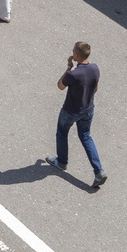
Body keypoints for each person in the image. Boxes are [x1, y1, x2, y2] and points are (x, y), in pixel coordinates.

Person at [46, 41, 107, 188]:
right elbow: (95, 89)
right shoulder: (95, 68)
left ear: (77, 55)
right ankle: (99, 171)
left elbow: (60, 85)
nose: (72, 53)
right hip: (88, 110)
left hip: (70, 111)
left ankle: (62, 162)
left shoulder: (74, 74)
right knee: (86, 136)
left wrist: (68, 67)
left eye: (73, 51)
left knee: (62, 132)